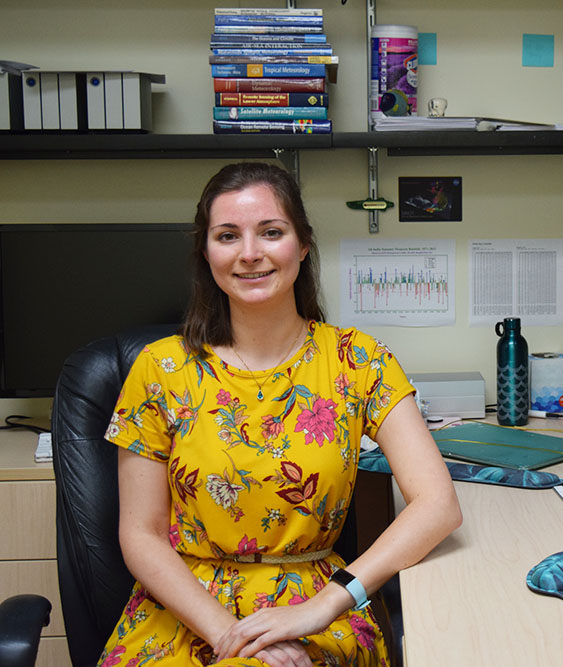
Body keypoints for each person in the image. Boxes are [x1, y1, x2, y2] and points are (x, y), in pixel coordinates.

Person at [101, 162, 462, 667]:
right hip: (183, 609)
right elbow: (140, 533)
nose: (250, 254)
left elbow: (438, 505)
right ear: (206, 254)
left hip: (313, 604)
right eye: (228, 236)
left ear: (303, 244)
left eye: (271, 232)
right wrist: (229, 635)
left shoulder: (357, 360)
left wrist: (326, 605)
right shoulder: (160, 369)